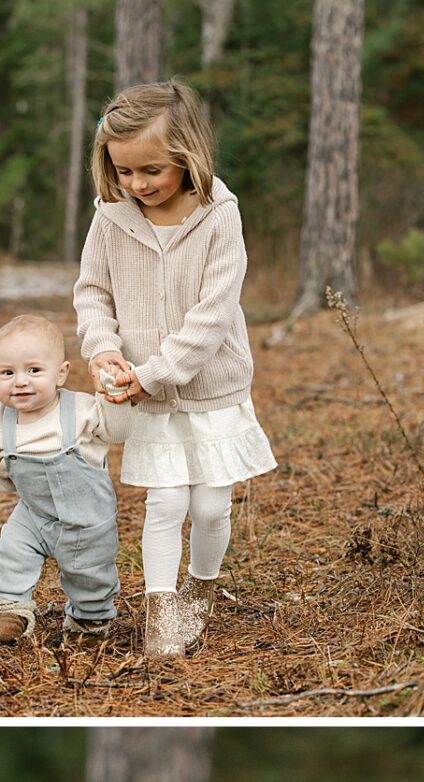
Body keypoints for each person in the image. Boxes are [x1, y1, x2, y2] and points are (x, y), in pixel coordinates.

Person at [75, 80, 276, 658]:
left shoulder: (219, 216)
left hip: (210, 389)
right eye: (124, 172)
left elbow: (212, 316)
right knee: (164, 503)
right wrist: (103, 350)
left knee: (211, 506)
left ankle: (201, 588)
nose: (137, 185)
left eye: (151, 171)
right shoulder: (112, 217)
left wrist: (155, 372)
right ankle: (161, 611)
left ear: (188, 156)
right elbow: (92, 291)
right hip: (145, 394)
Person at [0, 314, 129, 647]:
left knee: (90, 575)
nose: (20, 381)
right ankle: (9, 610)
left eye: (33, 371)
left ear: (61, 373)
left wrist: (113, 396)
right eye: (8, 373)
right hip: (34, 514)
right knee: (10, 553)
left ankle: (89, 623)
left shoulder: (82, 409)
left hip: (88, 522)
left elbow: (118, 430)